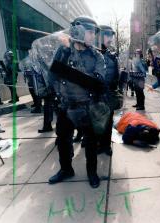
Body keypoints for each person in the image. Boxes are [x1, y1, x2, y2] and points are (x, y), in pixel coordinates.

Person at [47, 16, 108, 188]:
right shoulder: (63, 51)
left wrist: (69, 72)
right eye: (89, 32)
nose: (92, 36)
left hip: (87, 107)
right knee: (63, 141)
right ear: (77, 31)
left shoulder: (97, 56)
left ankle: (92, 172)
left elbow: (96, 83)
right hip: (66, 106)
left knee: (90, 143)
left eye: (93, 33)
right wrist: (65, 52)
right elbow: (52, 76)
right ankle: (66, 169)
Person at [98, 24, 122, 155]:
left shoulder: (112, 57)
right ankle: (99, 144)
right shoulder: (92, 53)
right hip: (95, 96)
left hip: (109, 95)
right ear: (100, 36)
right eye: (107, 35)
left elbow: (117, 78)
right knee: (97, 123)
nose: (110, 39)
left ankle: (106, 146)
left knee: (108, 123)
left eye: (111, 36)